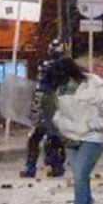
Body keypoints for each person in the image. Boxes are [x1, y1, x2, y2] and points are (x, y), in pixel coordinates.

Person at [51, 57, 103, 204]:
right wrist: (62, 128)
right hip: (70, 138)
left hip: (91, 138)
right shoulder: (60, 88)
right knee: (82, 182)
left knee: (79, 178)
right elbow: (58, 113)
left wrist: (90, 125)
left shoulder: (94, 84)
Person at [21, 40, 66, 178]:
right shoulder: (58, 67)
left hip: (50, 100)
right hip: (49, 101)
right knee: (47, 134)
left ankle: (40, 166)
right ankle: (53, 165)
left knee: (41, 135)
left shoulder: (52, 67)